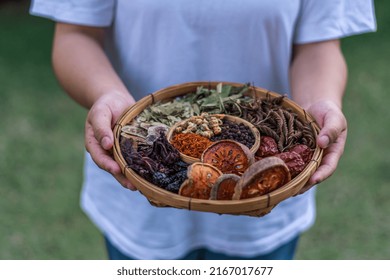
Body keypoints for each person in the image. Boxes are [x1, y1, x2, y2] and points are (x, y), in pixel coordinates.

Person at [30, 0, 376, 260]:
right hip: (139, 185)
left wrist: (321, 103)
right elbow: (75, 35)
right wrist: (107, 95)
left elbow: (319, 44)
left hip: (267, 190)